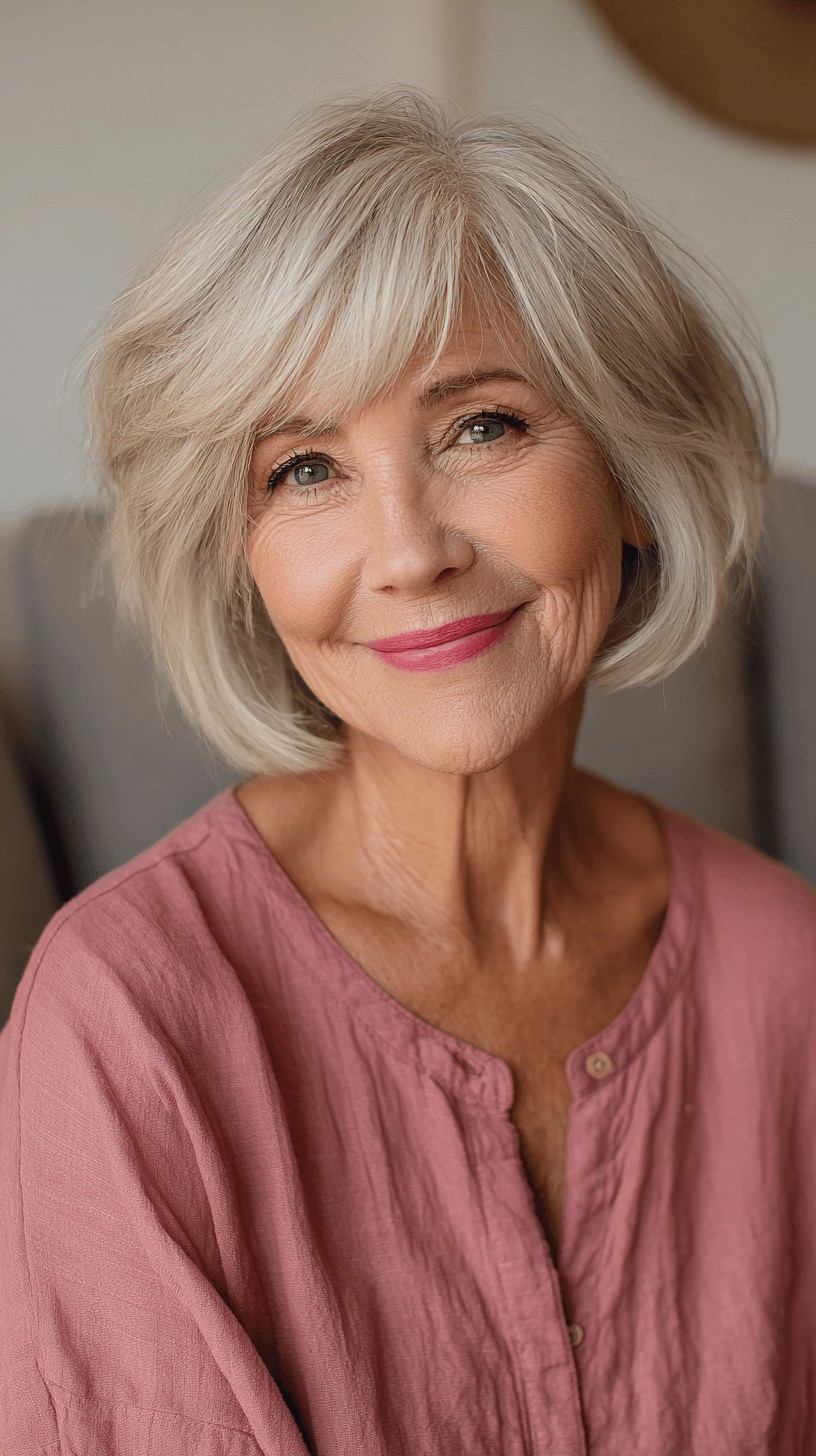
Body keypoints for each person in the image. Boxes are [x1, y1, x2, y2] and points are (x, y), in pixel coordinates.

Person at [1, 85, 814, 1456]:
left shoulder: (788, 973)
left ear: (625, 468)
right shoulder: (126, 1018)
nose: (410, 550)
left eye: (481, 427)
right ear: (244, 558)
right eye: (306, 469)